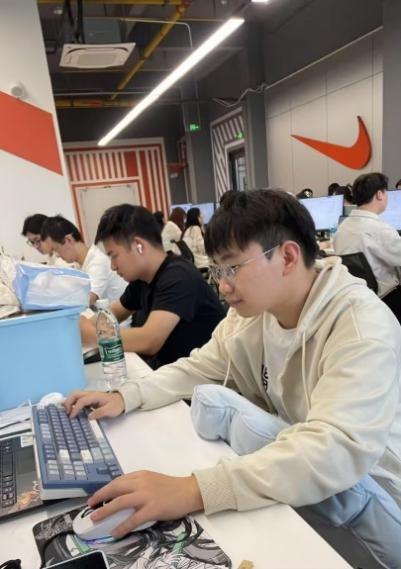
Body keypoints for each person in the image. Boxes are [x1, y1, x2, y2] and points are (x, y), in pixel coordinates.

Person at [66, 189, 401, 568]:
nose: (223, 286)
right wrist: (127, 395)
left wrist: (194, 489)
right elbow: (199, 366)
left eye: (233, 268)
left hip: (379, 491)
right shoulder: (256, 314)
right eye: (218, 270)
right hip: (313, 472)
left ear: (288, 256)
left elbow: (334, 450)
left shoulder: (360, 327)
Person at [78, 204, 225, 367]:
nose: (112, 266)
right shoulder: (142, 279)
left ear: (138, 245)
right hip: (171, 369)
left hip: (205, 375)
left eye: (114, 256)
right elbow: (114, 313)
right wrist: (83, 325)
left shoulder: (178, 276)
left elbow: (149, 340)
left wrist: (92, 335)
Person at [334, 172, 401, 322]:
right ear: (379, 194)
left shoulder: (342, 228)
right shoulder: (381, 229)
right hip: (385, 299)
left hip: (356, 297)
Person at [41, 215, 126, 305]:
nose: (57, 255)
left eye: (56, 249)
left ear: (69, 240)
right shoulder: (80, 263)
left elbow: (88, 299)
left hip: (117, 313)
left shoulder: (97, 262)